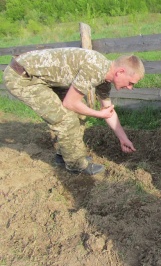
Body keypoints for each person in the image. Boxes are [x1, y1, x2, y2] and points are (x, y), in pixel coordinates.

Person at [3, 47, 145, 175]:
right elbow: (70, 103)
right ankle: (75, 165)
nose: (130, 87)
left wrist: (123, 138)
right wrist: (97, 114)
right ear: (120, 72)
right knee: (65, 120)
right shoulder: (95, 69)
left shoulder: (105, 77)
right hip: (23, 78)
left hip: (45, 77)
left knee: (81, 112)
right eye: (131, 83)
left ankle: (64, 154)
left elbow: (109, 111)